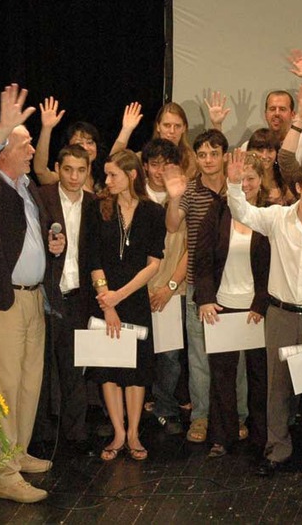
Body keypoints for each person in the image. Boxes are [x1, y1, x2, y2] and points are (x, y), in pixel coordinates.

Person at [0, 84, 61, 503]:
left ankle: (16, 455)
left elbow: (35, 235)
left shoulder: (27, 188)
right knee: (1, 387)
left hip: (32, 297)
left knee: (28, 382)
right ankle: (2, 474)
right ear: (4, 151)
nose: (31, 149)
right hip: (1, 299)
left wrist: (56, 242)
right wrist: (2, 129)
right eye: (25, 143)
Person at [225, 151, 302, 480]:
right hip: (279, 315)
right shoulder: (277, 217)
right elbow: (242, 211)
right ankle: (277, 450)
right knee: (276, 387)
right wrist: (234, 183)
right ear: (298, 187)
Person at [85, 149, 166, 462]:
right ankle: (118, 432)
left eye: (113, 175)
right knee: (108, 366)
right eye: (106, 174)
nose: (107, 181)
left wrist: (121, 296)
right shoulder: (98, 208)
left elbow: (154, 263)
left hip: (133, 299)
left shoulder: (152, 211)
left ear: (132, 175)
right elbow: (92, 258)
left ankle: (133, 432)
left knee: (135, 367)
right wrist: (107, 302)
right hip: (103, 299)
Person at [194, 152, 271, 460]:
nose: (246, 183)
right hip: (222, 308)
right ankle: (222, 437)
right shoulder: (217, 211)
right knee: (222, 377)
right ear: (231, 180)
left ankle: (261, 436)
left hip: (257, 310)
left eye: (251, 177)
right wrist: (206, 299)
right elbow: (201, 261)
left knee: (260, 377)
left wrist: (261, 304)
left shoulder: (270, 214)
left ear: (261, 181)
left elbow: (274, 267)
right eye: (240, 177)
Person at [164, 129, 231, 445]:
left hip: (234, 286)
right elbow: (173, 225)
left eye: (214, 154)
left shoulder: (237, 190)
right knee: (199, 357)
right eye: (202, 154)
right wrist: (175, 195)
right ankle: (201, 417)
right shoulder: (190, 192)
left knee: (236, 358)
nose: (207, 160)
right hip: (197, 286)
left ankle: (238, 416)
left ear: (224, 156)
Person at [36, 145, 95, 454]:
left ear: (88, 171)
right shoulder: (42, 197)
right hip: (47, 292)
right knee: (42, 365)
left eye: (80, 170)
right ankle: (41, 432)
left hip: (79, 295)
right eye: (68, 169)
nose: (74, 176)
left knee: (75, 367)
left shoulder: (97, 204)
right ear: (57, 168)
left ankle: (75, 433)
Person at [141, 139, 192, 436]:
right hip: (137, 288)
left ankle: (165, 408)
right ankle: (133, 410)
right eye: (155, 163)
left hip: (173, 288)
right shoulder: (133, 195)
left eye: (167, 164)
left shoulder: (186, 198)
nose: (161, 170)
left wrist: (170, 286)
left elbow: (190, 248)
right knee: (137, 352)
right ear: (145, 166)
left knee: (170, 357)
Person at [32, 97, 104, 192]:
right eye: (79, 143)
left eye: (90, 142)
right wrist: (47, 128)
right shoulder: (64, 177)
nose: (86, 148)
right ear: (67, 148)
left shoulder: (104, 176)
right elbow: (40, 171)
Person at [111, 101, 198, 178]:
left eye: (177, 126)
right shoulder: (144, 156)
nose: (172, 131)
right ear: (158, 127)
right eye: (167, 125)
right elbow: (114, 163)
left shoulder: (192, 159)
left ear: (184, 128)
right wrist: (126, 130)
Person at [246, 128, 295, 205]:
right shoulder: (242, 179)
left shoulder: (285, 181)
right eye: (260, 150)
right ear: (249, 150)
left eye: (270, 150)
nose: (264, 156)